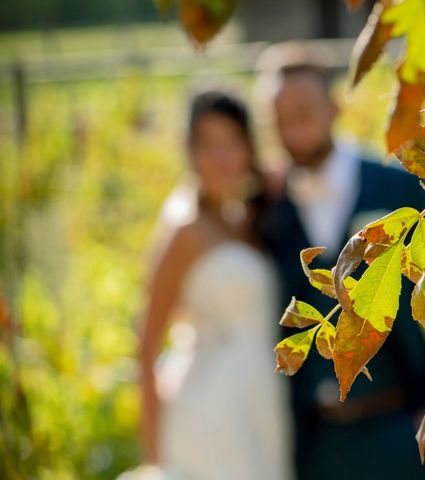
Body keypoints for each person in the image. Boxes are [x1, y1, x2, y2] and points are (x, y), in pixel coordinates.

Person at [260, 47, 425, 480]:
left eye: (303, 114)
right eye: (280, 120)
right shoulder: (269, 209)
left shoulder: (398, 190)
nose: (293, 131)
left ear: (334, 108)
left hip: (399, 430)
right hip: (314, 447)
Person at [138, 91, 293, 480]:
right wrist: (156, 460)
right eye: (208, 145)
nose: (221, 158)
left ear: (248, 147)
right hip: (209, 413)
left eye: (231, 143)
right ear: (190, 151)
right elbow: (146, 346)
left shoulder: (241, 218)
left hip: (260, 405)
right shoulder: (183, 229)